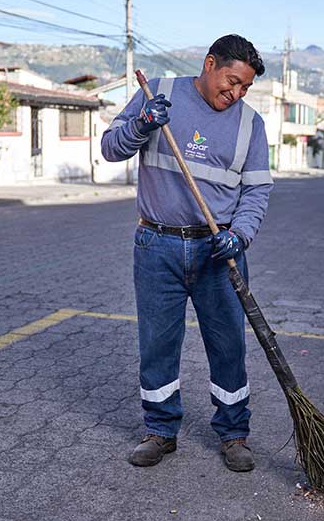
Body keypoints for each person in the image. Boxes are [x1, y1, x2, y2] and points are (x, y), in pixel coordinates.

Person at [101, 35, 273, 473]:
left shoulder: (250, 124)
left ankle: (234, 434)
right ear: (209, 64)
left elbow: (256, 190)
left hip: (219, 251)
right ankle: (160, 430)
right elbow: (110, 148)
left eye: (245, 88)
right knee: (158, 343)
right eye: (231, 81)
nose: (235, 94)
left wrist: (241, 234)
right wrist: (141, 123)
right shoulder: (156, 93)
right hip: (156, 245)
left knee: (228, 344)